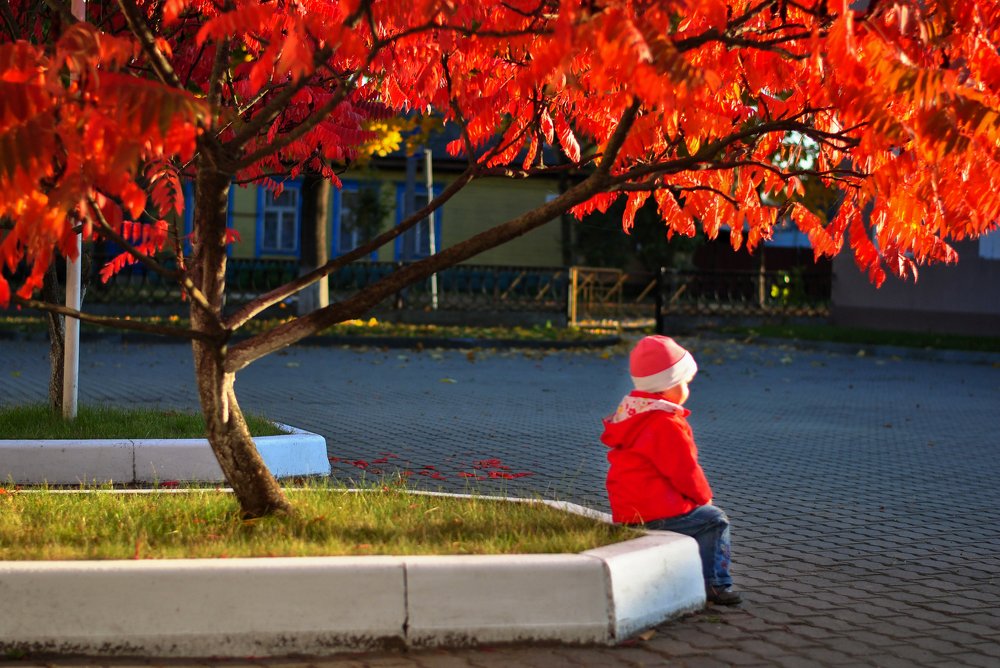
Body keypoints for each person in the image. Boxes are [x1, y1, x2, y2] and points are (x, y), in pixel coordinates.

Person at [600, 335, 742, 605]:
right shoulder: (664, 423)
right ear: (667, 386)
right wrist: (703, 497)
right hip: (656, 511)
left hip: (630, 509)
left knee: (698, 518)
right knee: (714, 519)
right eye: (685, 382)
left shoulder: (633, 414)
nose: (688, 389)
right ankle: (715, 583)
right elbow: (684, 470)